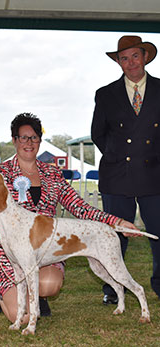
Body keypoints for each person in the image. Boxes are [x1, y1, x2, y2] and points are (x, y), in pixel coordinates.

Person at [0, 112, 137, 324]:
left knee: (50, 284)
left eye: (34, 138)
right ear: (14, 140)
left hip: (45, 250)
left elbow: (80, 207)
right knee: (21, 318)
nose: (29, 143)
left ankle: (33, 294)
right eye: (23, 137)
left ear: (40, 140)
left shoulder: (52, 174)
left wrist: (116, 222)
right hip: (9, 255)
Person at [91, 35, 160, 305]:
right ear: (118, 62)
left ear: (144, 57)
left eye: (134, 56)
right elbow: (98, 133)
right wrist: (116, 157)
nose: (130, 62)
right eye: (124, 58)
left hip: (154, 174)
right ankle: (113, 289)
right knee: (113, 238)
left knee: (158, 234)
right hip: (116, 175)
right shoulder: (105, 94)